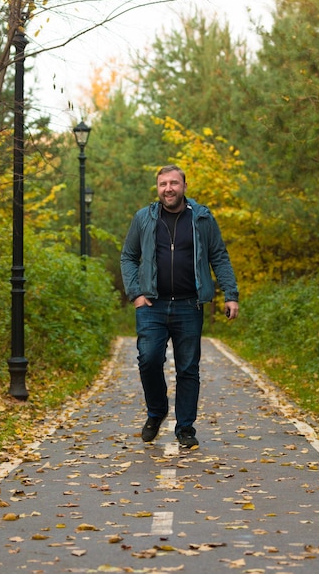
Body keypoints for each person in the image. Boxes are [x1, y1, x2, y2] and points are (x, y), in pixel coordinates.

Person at [121, 165, 239, 449]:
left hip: (189, 305)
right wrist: (136, 293)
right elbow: (128, 256)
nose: (168, 189)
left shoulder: (202, 218)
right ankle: (157, 411)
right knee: (148, 360)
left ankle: (185, 428)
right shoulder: (144, 218)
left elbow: (219, 257)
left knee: (188, 368)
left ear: (185, 186)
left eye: (174, 183)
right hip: (152, 304)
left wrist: (230, 294)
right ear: (158, 188)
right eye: (163, 184)